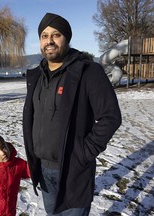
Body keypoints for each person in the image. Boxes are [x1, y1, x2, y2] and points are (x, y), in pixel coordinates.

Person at [22, 12, 122, 215]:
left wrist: (84, 153)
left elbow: (110, 117)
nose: (49, 41)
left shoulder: (88, 72)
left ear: (66, 38)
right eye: (44, 36)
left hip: (73, 170)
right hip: (43, 169)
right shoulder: (36, 76)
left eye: (56, 34)